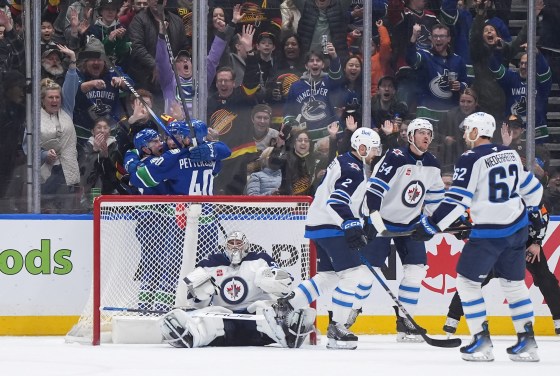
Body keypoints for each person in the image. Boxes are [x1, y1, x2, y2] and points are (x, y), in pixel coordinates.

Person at [412, 112, 544, 362]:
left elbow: (457, 200)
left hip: (490, 234)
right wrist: (532, 210)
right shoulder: (510, 153)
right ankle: (527, 343)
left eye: (467, 129)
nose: (464, 134)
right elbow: (533, 189)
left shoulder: (470, 158)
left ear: (477, 131)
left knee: (466, 283)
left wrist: (431, 224)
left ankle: (480, 341)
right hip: (517, 229)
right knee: (514, 285)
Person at [267, 128, 382, 350]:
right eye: (373, 147)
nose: (375, 153)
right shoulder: (353, 168)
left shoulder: (349, 162)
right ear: (362, 146)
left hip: (320, 224)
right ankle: (338, 327)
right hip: (331, 226)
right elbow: (337, 201)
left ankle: (286, 305)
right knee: (352, 274)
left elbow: (351, 200)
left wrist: (366, 223)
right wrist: (350, 225)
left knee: (328, 277)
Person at [361, 118, 445, 343]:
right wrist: (373, 217)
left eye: (429, 133)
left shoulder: (433, 164)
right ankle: (347, 316)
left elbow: (436, 201)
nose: (426, 137)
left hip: (411, 225)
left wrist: (437, 223)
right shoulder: (396, 157)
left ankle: (406, 323)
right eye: (421, 133)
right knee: (366, 274)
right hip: (383, 221)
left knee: (417, 270)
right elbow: (375, 188)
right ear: (410, 136)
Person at [160, 231, 316, 349]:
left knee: (265, 308)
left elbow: (285, 282)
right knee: (209, 317)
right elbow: (196, 303)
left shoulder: (260, 259)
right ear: (225, 246)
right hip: (224, 320)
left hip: (255, 320)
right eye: (231, 243)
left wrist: (272, 281)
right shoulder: (210, 263)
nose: (234, 246)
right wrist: (201, 294)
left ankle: (287, 334)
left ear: (246, 245)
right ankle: (190, 336)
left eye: (238, 243)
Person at [442, 203, 560, 337]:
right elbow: (465, 218)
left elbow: (541, 215)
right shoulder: (487, 195)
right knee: (472, 281)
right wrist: (456, 227)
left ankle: (558, 318)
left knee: (543, 277)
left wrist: (536, 242)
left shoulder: (523, 194)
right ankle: (452, 318)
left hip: (521, 243)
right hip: (493, 244)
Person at [40, 45, 82, 213]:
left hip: (68, 174)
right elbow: (27, 146)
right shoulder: (35, 117)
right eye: (51, 97)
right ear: (43, 100)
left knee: (67, 212)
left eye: (57, 97)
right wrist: (44, 155)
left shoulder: (66, 110)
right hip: (45, 176)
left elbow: (71, 86)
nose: (55, 100)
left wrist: (72, 61)